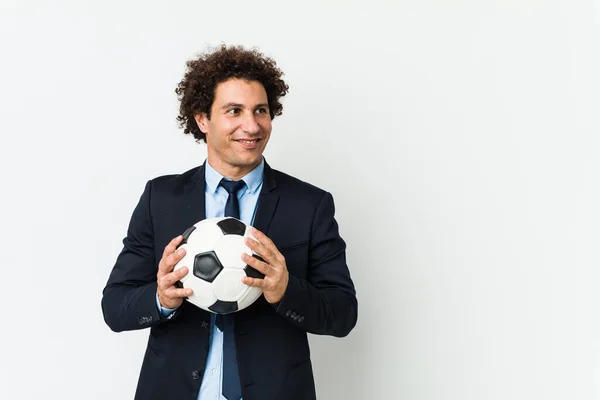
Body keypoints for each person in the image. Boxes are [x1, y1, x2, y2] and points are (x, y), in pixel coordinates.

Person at [101, 44, 358, 400]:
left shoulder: (310, 204)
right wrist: (160, 298)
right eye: (234, 111)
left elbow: (343, 314)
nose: (251, 126)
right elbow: (115, 307)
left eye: (261, 111)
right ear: (202, 119)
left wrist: (286, 290)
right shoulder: (160, 198)